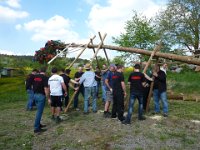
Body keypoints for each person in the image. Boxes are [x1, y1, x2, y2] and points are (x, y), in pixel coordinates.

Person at [32, 67, 49, 133]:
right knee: (39, 112)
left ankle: (38, 124)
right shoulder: (45, 77)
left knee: (38, 111)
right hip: (41, 96)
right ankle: (36, 128)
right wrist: (48, 97)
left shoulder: (35, 76)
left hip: (35, 95)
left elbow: (32, 86)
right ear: (45, 71)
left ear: (39, 70)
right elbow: (46, 88)